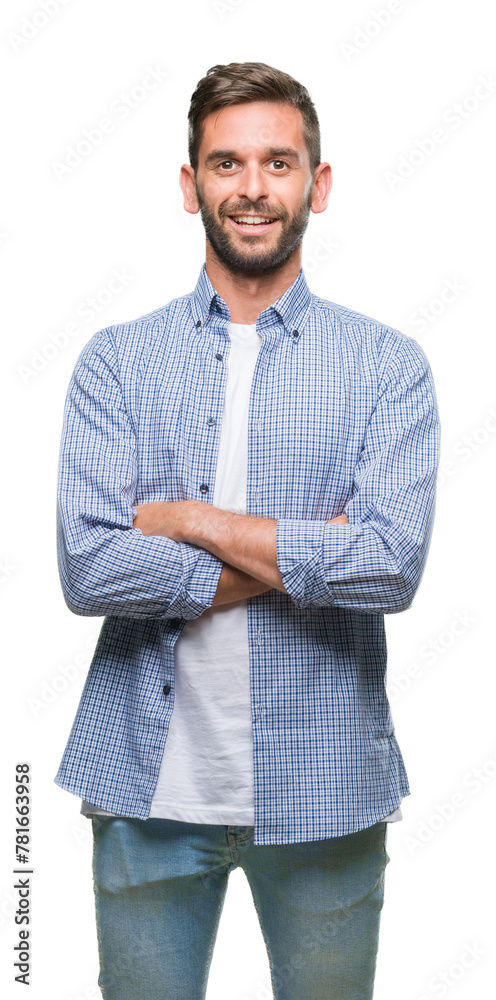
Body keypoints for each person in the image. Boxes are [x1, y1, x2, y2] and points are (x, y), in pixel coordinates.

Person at [55, 61, 440, 1000]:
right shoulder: (117, 363)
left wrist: (189, 522)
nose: (254, 188)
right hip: (144, 789)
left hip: (329, 794)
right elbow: (89, 568)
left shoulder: (386, 369)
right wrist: (313, 551)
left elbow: (388, 566)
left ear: (320, 182)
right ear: (192, 188)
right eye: (227, 165)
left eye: (279, 161)